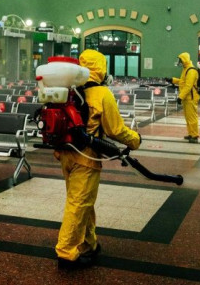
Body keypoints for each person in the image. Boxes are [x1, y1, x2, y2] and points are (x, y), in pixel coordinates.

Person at [55, 49, 142, 269]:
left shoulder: (70, 89)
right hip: (87, 157)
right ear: (101, 68)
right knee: (79, 203)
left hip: (66, 154)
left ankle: (89, 243)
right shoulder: (101, 93)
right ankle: (66, 253)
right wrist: (134, 140)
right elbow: (115, 129)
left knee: (84, 202)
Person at [165, 52, 199, 143]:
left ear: (184, 60)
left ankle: (194, 136)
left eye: (180, 60)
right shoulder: (186, 69)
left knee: (192, 117)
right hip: (187, 98)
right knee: (188, 117)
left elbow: (188, 86)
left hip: (190, 98)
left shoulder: (191, 70)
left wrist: (180, 97)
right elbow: (183, 81)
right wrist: (172, 80)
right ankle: (191, 133)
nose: (179, 62)